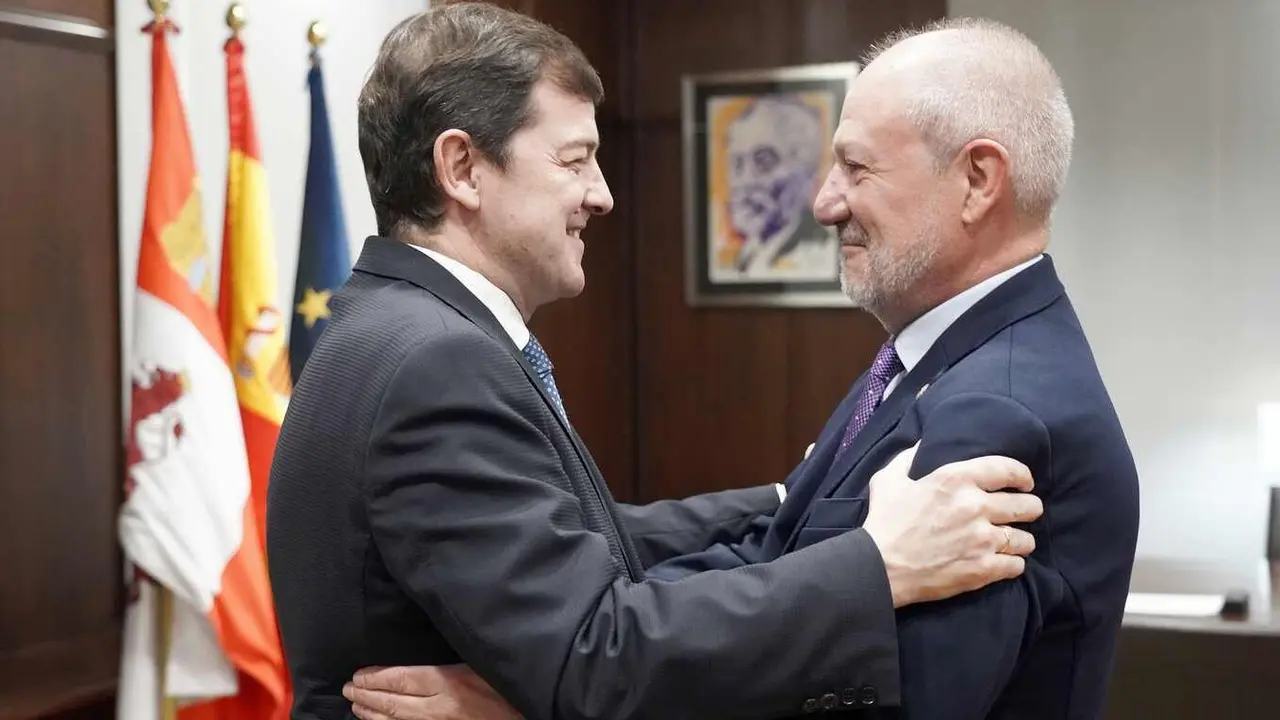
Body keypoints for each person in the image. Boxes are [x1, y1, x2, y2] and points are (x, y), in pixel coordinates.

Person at [341, 15, 1141, 720]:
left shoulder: (996, 411)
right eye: (575, 159)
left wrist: (538, 705)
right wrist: (568, 678)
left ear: (978, 181)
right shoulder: (925, 364)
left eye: (857, 169)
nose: (825, 203)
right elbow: (775, 558)